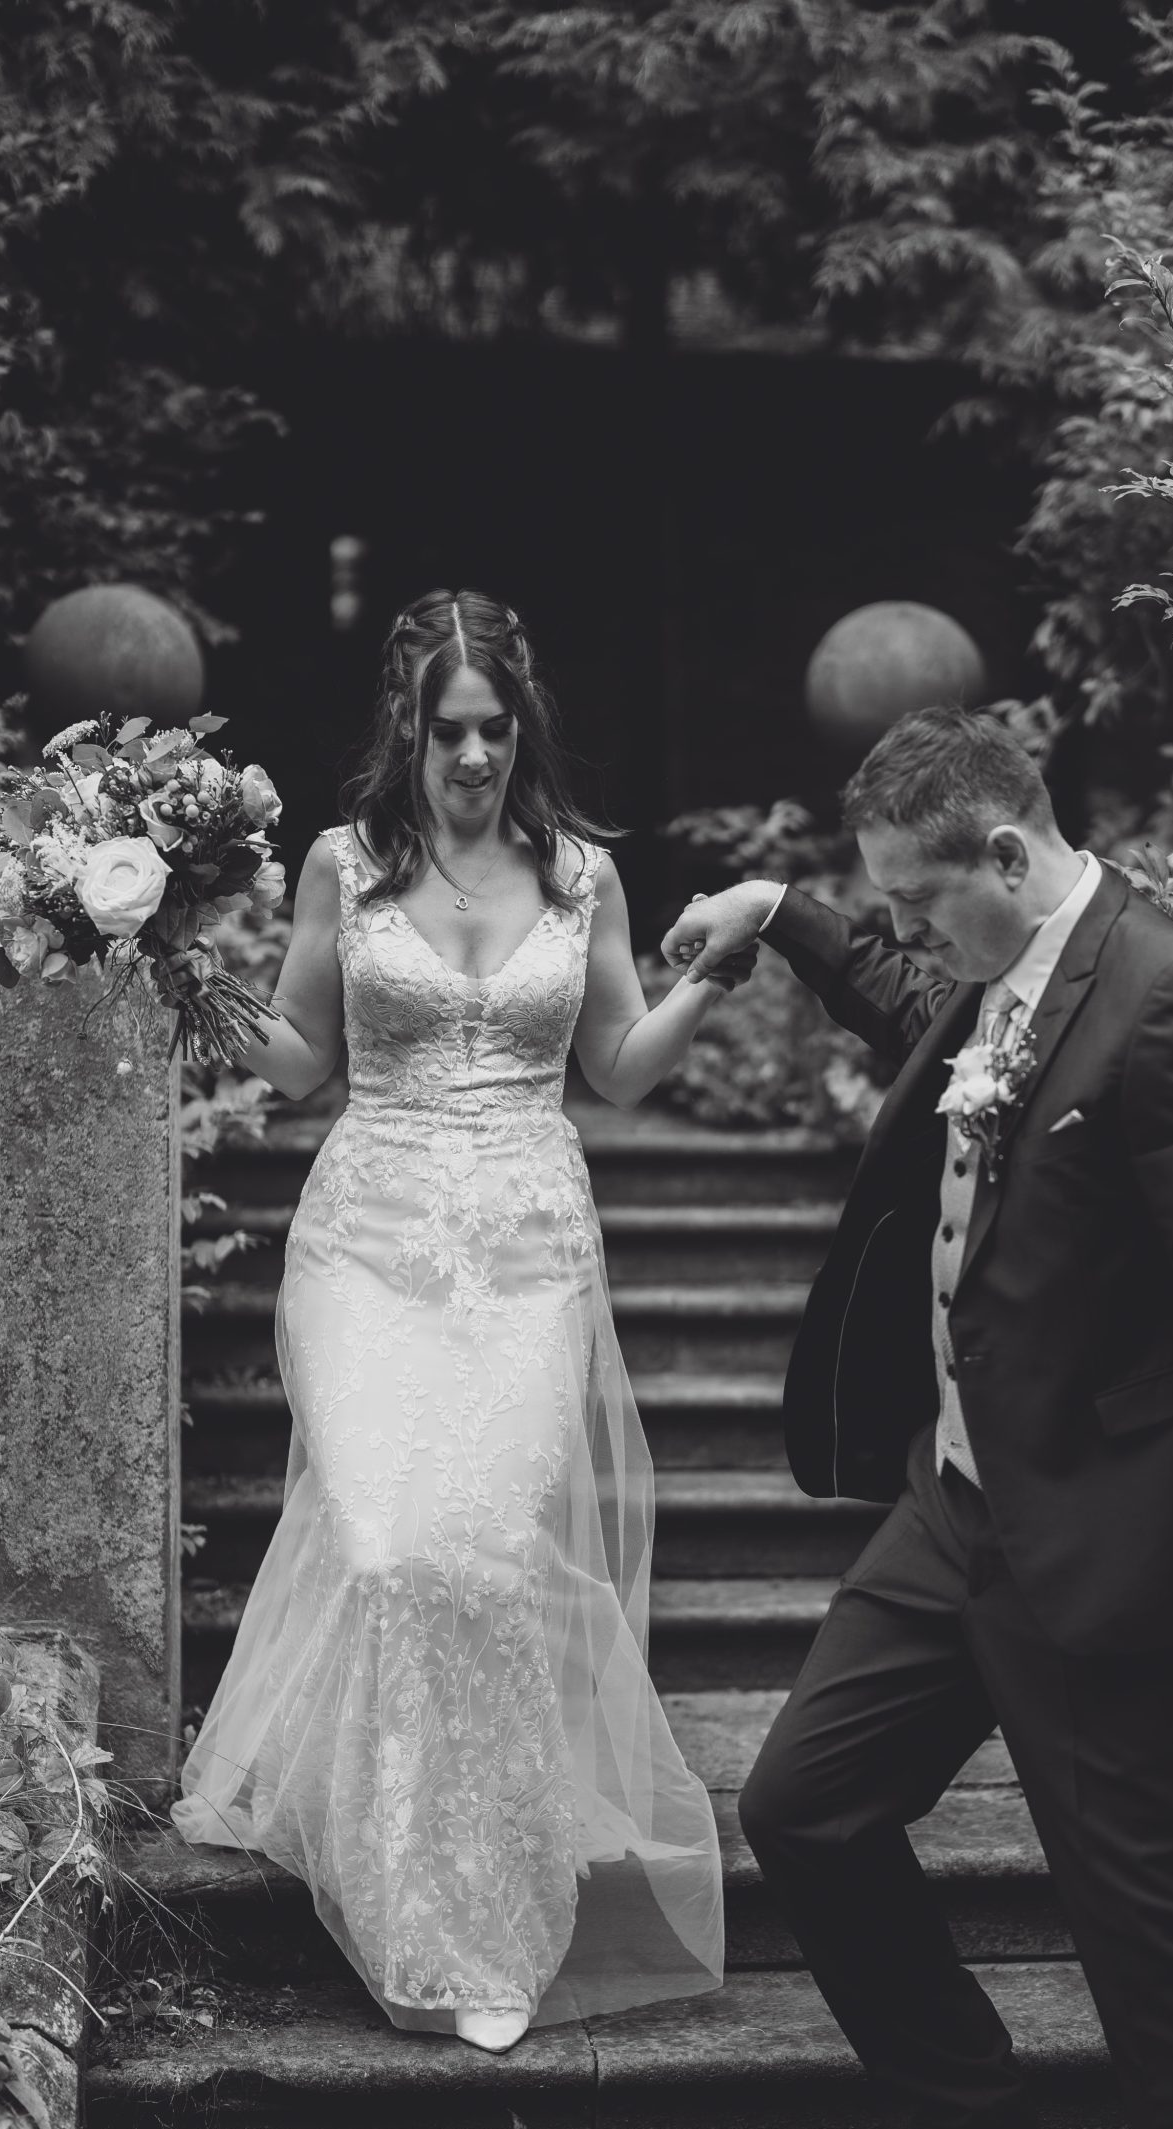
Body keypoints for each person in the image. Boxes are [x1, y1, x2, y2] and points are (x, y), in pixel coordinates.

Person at [663, 704, 1173, 2129]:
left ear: (1007, 860)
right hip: (950, 1514)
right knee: (805, 1807)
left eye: (914, 897)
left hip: (1101, 1549)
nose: (905, 930)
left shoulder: (1169, 997)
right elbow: (904, 1000)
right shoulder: (1000, 972)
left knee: (1153, 1961)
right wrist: (778, 914)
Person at [174, 588, 736, 2053]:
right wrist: (180, 960)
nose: (474, 757)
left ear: (522, 726)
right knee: (386, 1549)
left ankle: (479, 1913)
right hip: (367, 1247)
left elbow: (618, 1066)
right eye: (447, 733)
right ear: (407, 733)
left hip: (530, 1260)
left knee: (478, 1558)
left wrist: (714, 979)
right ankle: (397, 1887)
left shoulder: (584, 878)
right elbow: (301, 1060)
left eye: (493, 730)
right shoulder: (344, 867)